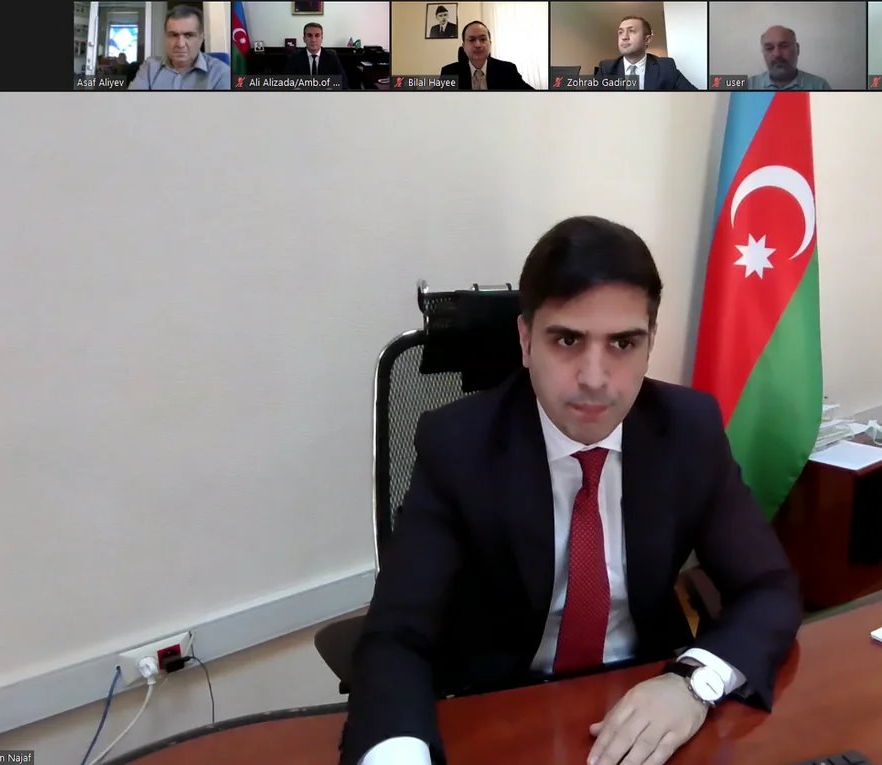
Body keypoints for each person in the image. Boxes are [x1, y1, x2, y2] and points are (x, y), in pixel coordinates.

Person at [339, 216, 803, 765]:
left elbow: (768, 588)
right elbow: (396, 637)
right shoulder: (458, 446)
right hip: (501, 714)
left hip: (649, 698)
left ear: (650, 344)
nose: (595, 378)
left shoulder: (688, 430)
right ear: (525, 341)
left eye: (623, 343)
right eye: (567, 339)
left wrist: (692, 682)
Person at [128, 5, 230, 90]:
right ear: (165, 37)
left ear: (201, 38)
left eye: (188, 35)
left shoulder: (221, 74)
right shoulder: (150, 67)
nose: (180, 44)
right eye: (173, 35)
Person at [594, 16, 696, 91]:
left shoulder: (666, 67)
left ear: (647, 39)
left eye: (632, 31)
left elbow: (695, 98)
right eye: (620, 32)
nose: (624, 37)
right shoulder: (606, 68)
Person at [440, 21, 534, 90]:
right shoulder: (449, 73)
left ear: (490, 44)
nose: (478, 45)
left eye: (483, 39)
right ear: (464, 47)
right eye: (472, 40)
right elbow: (436, 100)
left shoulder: (508, 70)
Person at [746, 25, 831, 91]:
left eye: (784, 46)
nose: (777, 54)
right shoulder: (748, 85)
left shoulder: (819, 86)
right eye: (769, 48)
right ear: (763, 52)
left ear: (797, 49)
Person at [282, 22, 362, 89]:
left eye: (317, 35)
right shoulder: (295, 57)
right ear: (304, 39)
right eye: (309, 35)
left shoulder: (331, 56)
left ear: (322, 38)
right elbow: (286, 82)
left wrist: (333, 89)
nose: (313, 40)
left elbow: (343, 82)